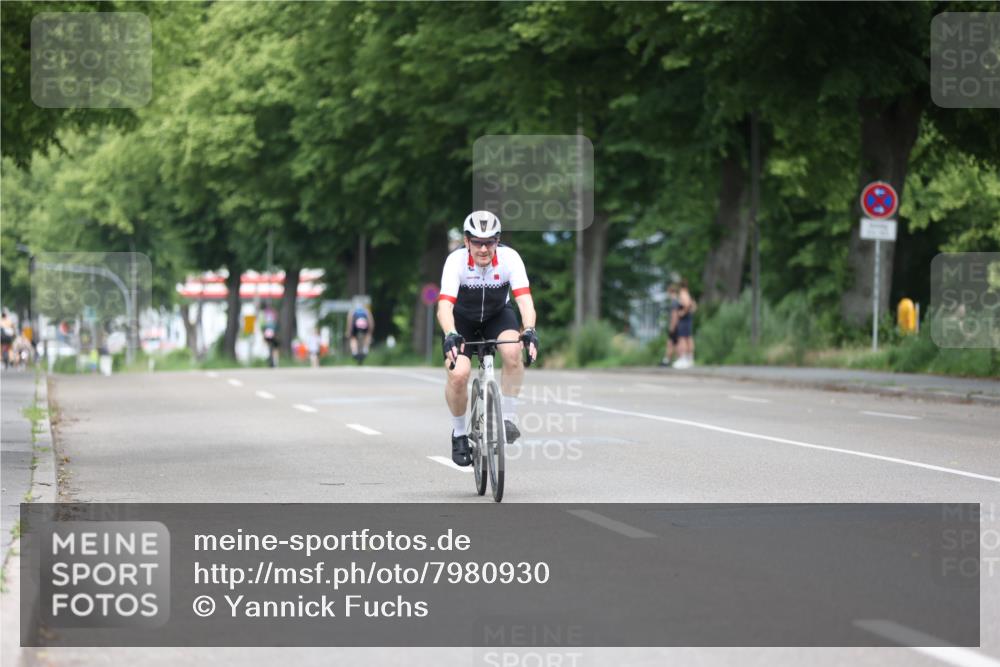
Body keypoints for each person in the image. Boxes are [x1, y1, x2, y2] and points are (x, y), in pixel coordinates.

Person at [438, 211, 538, 467]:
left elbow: (524, 299)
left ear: (498, 241)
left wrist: (529, 329)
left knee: (513, 353)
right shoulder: (455, 262)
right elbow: (444, 307)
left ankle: (508, 418)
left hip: (497, 315)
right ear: (466, 241)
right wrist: (450, 333)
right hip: (462, 320)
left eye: (490, 242)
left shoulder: (510, 258)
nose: (483, 248)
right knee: (459, 374)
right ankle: (459, 433)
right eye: (477, 242)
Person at [673, 279, 697, 369]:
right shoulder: (688, 294)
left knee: (682, 338)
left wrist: (682, 312)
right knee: (689, 338)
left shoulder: (682, 294)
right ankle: (690, 358)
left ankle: (683, 358)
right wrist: (690, 311)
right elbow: (693, 306)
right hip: (688, 318)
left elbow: (687, 304)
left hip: (684, 319)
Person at [660, 284, 680, 367]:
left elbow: (674, 315)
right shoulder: (677, 301)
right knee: (673, 343)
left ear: (670, 292)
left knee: (671, 343)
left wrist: (672, 326)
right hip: (676, 326)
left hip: (674, 326)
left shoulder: (674, 302)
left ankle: (667, 360)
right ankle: (668, 360)